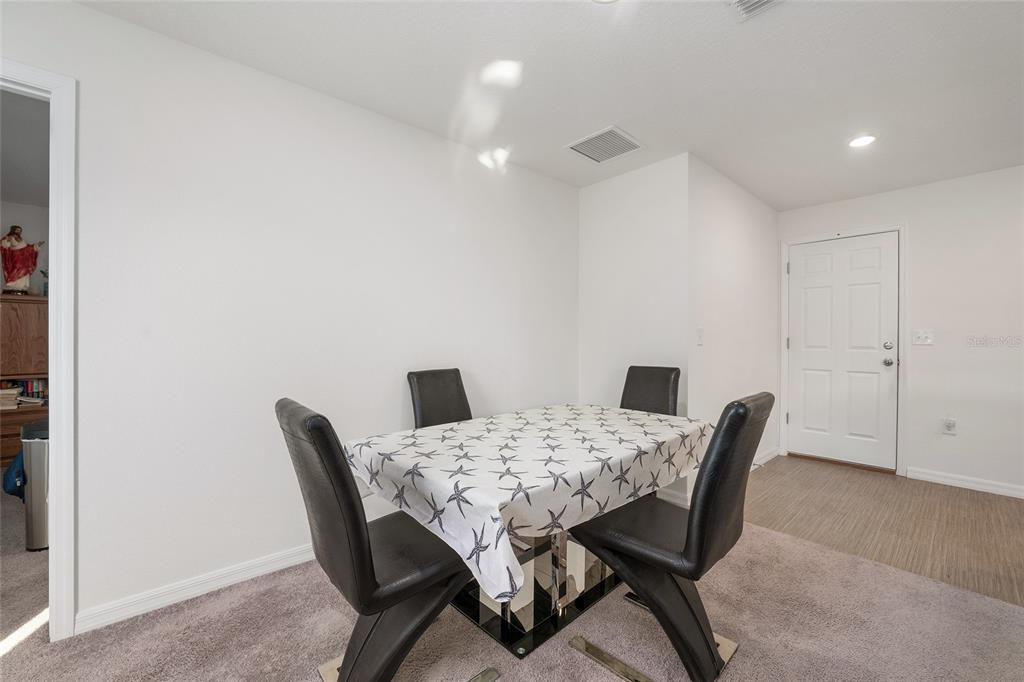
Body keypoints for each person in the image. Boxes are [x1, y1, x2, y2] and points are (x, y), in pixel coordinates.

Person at [1, 225, 44, 293]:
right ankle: (12, 284)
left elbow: (27, 247)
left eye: (20, 231)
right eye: (17, 230)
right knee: (16, 268)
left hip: (24, 259)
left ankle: (22, 286)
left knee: (25, 270)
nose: (19, 232)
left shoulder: (21, 239)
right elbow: (5, 246)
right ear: (13, 230)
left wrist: (36, 246)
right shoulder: (9, 237)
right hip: (16, 257)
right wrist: (6, 241)